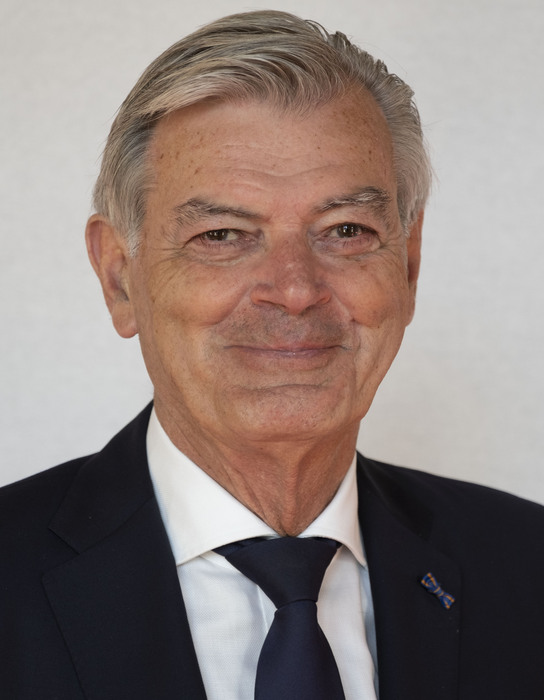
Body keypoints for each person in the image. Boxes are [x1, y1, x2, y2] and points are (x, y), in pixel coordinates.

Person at [1, 10, 544, 700]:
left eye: (346, 230)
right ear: (119, 278)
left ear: (408, 265)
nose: (294, 290)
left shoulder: (528, 566)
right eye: (222, 235)